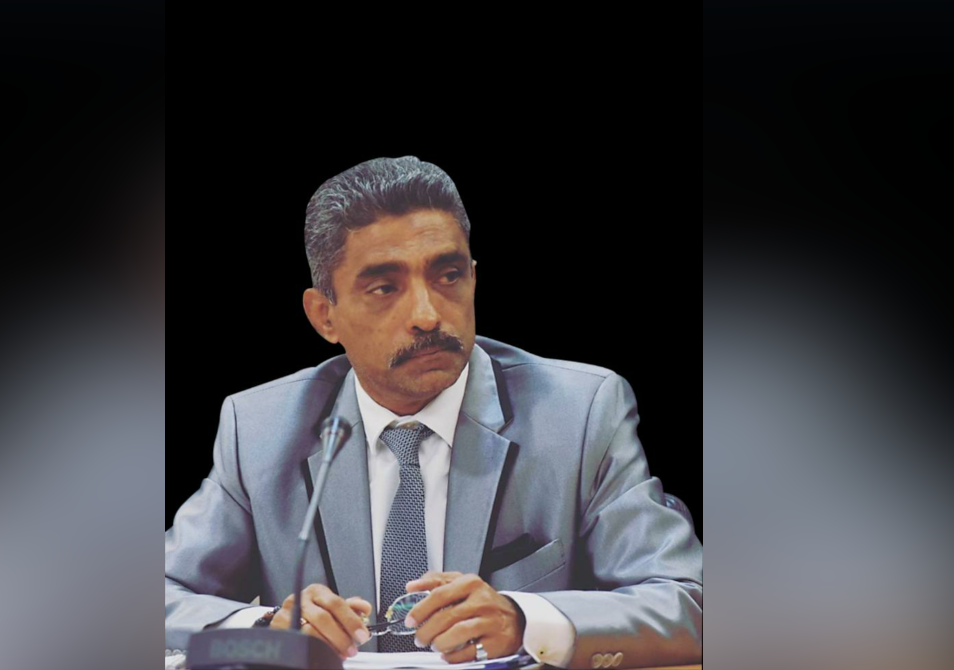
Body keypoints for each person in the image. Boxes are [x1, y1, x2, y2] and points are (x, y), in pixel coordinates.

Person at [165, 156, 703, 669]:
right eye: (385, 287)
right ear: (325, 316)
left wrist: (525, 620)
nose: (426, 315)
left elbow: (690, 600)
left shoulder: (579, 414)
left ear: (474, 279)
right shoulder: (260, 429)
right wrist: (265, 630)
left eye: (448, 276)